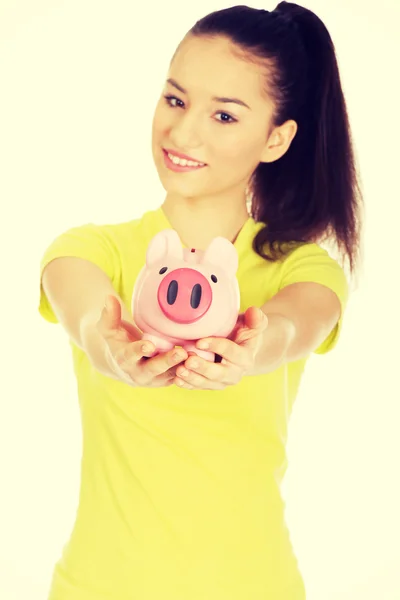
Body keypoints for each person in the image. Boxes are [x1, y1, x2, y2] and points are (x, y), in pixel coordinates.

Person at [38, 2, 363, 599]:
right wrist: (107, 349)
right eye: (176, 100)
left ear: (277, 138)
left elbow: (297, 325)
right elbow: (83, 310)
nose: (183, 133)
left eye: (224, 115)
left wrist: (255, 345)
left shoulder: (301, 267)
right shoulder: (92, 248)